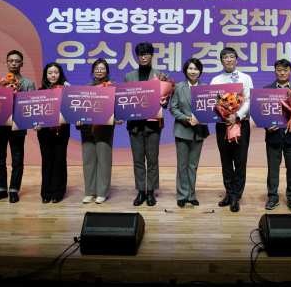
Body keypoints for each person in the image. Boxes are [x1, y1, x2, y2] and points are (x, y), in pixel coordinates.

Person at [0, 50, 36, 204]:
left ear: (22, 64)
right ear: (6, 63)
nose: (14, 63)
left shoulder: (28, 84)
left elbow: (32, 105)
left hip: (17, 126)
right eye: (11, 61)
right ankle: (0, 189)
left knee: (17, 159)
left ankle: (14, 190)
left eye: (17, 61)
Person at [124, 42, 169, 207]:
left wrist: (164, 101)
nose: (143, 57)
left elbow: (165, 102)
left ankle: (150, 191)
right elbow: (125, 101)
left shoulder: (160, 76)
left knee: (152, 160)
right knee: (137, 160)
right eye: (141, 54)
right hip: (135, 125)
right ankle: (141, 191)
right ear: (137, 56)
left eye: (146, 54)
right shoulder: (129, 77)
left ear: (151, 55)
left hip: (153, 125)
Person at [210, 47, 253, 213]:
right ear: (221, 61)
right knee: (226, 161)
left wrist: (237, 115)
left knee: (240, 161)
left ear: (236, 59)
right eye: (225, 57)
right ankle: (229, 193)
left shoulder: (245, 78)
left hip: (241, 124)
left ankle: (236, 196)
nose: (228, 60)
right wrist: (224, 114)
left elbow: (248, 101)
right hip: (222, 125)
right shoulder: (216, 80)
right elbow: (212, 102)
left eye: (231, 57)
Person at [264, 59, 291, 213]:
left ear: (290, 71)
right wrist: (266, 125)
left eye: (285, 70)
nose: (282, 73)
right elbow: (261, 113)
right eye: (279, 70)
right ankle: (272, 197)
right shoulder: (266, 90)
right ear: (275, 71)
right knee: (272, 170)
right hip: (273, 136)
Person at [169, 58, 209, 208]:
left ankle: (191, 195)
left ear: (200, 71)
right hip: (182, 130)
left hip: (199, 132)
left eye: (196, 69)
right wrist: (186, 118)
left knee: (193, 165)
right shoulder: (179, 87)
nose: (193, 71)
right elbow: (173, 108)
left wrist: (201, 118)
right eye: (190, 68)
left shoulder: (205, 88)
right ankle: (182, 195)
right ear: (186, 70)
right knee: (182, 165)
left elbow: (210, 109)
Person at [80, 58, 115, 204]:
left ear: (107, 71)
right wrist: (78, 119)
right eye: (97, 68)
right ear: (93, 71)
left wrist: (117, 117)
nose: (99, 71)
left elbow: (117, 108)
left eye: (102, 68)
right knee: (88, 161)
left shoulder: (112, 87)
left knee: (104, 161)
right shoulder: (85, 88)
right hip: (87, 129)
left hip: (104, 129)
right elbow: (79, 108)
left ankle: (102, 192)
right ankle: (89, 192)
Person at [37, 62, 70, 203]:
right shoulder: (40, 91)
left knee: (60, 160)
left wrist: (69, 91)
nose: (53, 75)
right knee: (47, 160)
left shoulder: (66, 90)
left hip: (62, 131)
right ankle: (46, 192)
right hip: (44, 132)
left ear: (60, 74)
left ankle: (58, 191)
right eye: (50, 73)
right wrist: (35, 123)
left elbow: (71, 109)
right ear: (45, 75)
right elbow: (36, 112)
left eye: (56, 72)